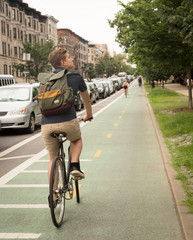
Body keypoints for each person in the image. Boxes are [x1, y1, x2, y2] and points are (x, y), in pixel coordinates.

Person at [41, 48, 93, 189]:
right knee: (76, 140)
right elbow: (86, 100)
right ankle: (74, 165)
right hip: (68, 122)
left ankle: (53, 195)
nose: (72, 59)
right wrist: (89, 114)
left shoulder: (45, 79)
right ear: (63, 62)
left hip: (46, 125)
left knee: (52, 158)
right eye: (69, 57)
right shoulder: (75, 77)